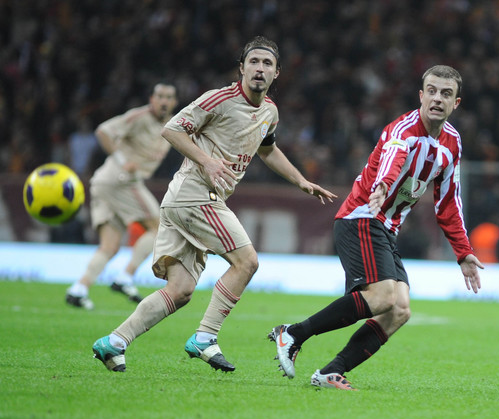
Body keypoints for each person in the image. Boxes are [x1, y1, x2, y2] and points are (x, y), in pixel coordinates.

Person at [91, 36, 337, 373]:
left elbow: (267, 150)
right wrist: (207, 161)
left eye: (267, 64)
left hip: (188, 200)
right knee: (246, 261)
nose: (260, 69)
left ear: (277, 73)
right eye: (254, 62)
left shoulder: (269, 112)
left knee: (180, 291)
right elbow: (173, 129)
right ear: (242, 68)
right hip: (195, 194)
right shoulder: (220, 99)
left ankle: (114, 342)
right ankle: (205, 337)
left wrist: (300, 181)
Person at [269, 65, 484, 390]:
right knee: (383, 297)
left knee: (399, 309)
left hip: (385, 229)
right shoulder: (404, 130)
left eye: (446, 93)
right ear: (421, 95)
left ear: (456, 103)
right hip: (361, 217)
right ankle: (293, 334)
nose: (437, 98)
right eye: (432, 91)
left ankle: (331, 371)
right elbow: (393, 156)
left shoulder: (452, 145)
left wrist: (464, 253)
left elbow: (449, 203)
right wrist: (383, 184)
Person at [65, 83, 178, 310]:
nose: (164, 101)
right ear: (151, 99)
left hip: (104, 183)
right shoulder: (139, 117)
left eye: (169, 97)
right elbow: (104, 131)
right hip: (121, 179)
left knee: (109, 246)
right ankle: (125, 277)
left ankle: (79, 289)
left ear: (174, 102)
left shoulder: (173, 123)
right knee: (161, 226)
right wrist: (121, 160)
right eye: (159, 96)